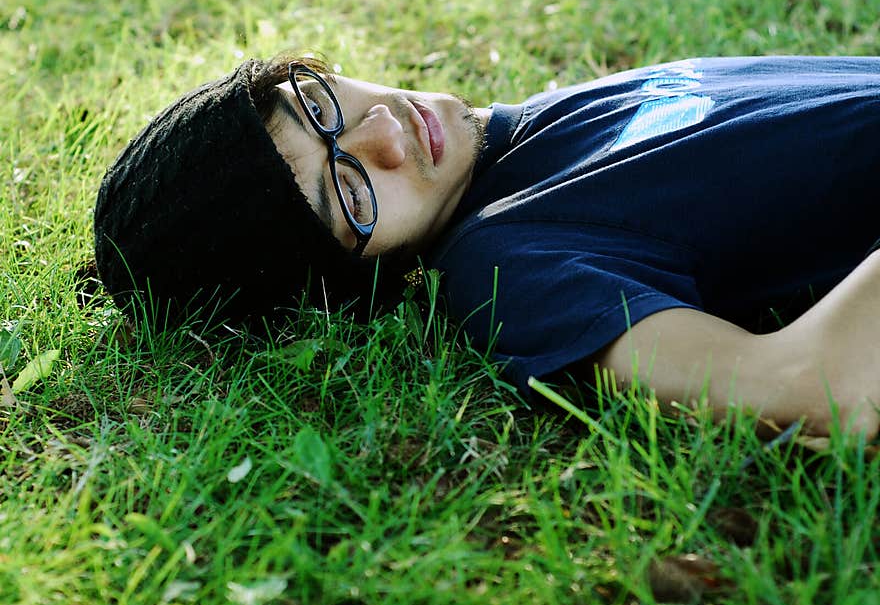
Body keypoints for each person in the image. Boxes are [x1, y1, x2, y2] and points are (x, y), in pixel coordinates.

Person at [93, 51, 880, 448]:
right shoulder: (503, 263)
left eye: (319, 105)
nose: (382, 135)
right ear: (353, 279)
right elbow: (806, 390)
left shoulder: (524, 126)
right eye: (353, 195)